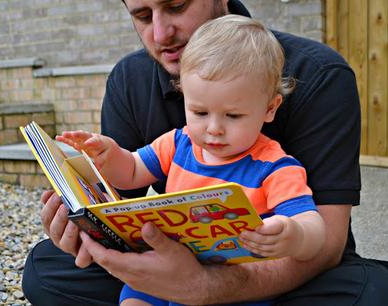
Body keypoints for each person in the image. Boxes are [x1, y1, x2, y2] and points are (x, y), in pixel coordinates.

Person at [22, 1, 388, 305]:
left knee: (371, 291)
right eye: (143, 16)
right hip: (167, 260)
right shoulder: (175, 135)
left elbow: (323, 241)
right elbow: (128, 178)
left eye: (177, 5)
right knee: (45, 268)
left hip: (261, 277)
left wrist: (288, 235)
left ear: (270, 107)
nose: (161, 33)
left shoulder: (315, 85)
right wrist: (90, 195)